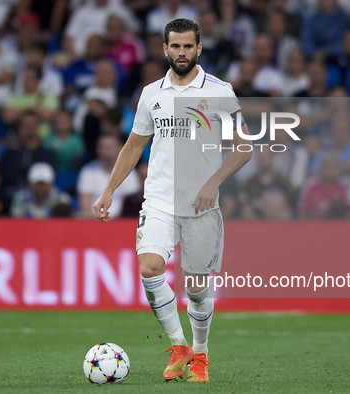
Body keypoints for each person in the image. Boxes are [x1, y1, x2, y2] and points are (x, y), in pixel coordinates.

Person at [92, 19, 252, 383]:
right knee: (149, 268)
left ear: (199, 49)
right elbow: (134, 145)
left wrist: (213, 183)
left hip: (200, 206)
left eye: (188, 47)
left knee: (195, 288)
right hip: (159, 199)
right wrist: (109, 190)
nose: (181, 53)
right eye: (175, 46)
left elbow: (244, 148)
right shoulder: (152, 93)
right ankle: (179, 346)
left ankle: (201, 354)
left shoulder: (219, 91)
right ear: (164, 49)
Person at [77, 134, 139, 218]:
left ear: (119, 148)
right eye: (105, 148)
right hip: (94, 222)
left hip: (122, 222)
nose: (108, 152)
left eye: (111, 147)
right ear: (98, 149)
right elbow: (85, 205)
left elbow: (131, 205)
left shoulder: (129, 172)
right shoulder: (88, 172)